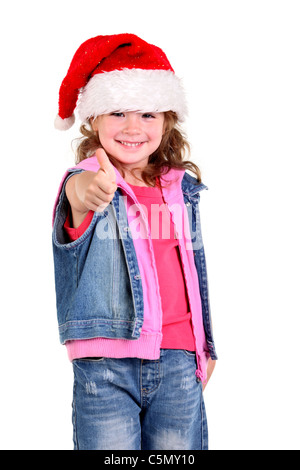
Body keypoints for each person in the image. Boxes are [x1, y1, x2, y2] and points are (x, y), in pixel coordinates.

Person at [52, 33, 217, 451]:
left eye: (147, 114)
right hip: (107, 363)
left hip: (180, 358)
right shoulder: (86, 180)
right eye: (118, 112)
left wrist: (204, 345)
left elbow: (190, 275)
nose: (132, 127)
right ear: (93, 119)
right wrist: (91, 190)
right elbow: (79, 193)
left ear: (166, 120)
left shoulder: (180, 189)